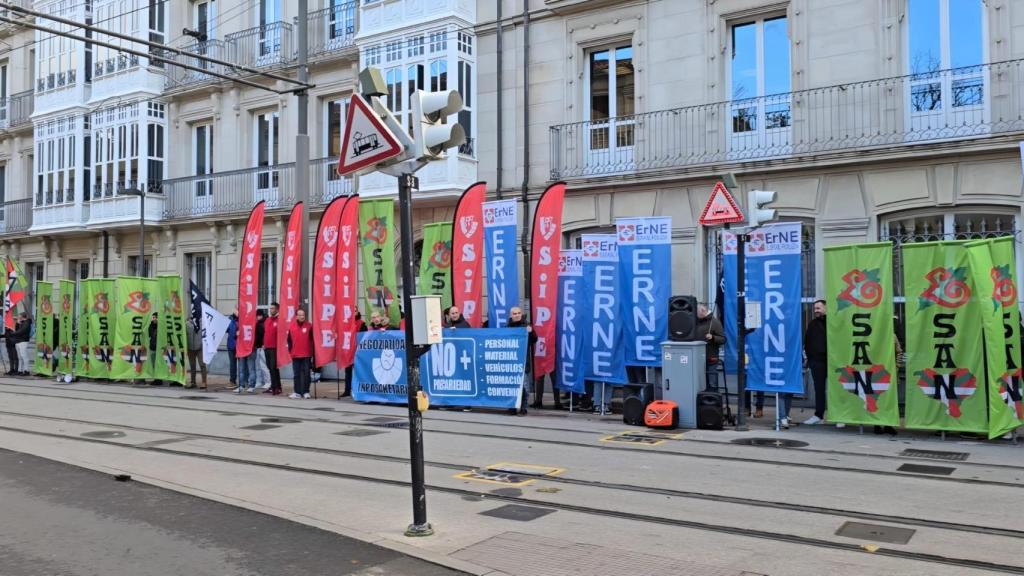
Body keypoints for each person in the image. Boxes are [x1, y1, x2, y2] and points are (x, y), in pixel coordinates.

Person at [507, 306, 536, 415]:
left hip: (524, 362)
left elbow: (535, 340)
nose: (517, 315)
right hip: (510, 362)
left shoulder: (527, 326)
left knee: (524, 387)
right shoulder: (507, 328)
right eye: (514, 313)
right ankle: (512, 406)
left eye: (519, 313)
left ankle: (523, 407)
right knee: (511, 386)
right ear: (511, 315)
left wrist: (531, 332)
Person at [803, 299, 828, 425]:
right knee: (819, 389)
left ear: (826, 308)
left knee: (837, 390)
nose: (816, 311)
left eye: (818, 308)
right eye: (815, 309)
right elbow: (807, 342)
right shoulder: (812, 324)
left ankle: (839, 416)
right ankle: (819, 415)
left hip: (832, 362)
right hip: (817, 362)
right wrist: (810, 359)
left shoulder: (833, 323)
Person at [695, 304, 725, 390]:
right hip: (698, 358)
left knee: (712, 382)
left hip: (711, 357)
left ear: (703, 311)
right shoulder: (697, 322)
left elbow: (723, 339)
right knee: (700, 382)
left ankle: (712, 399)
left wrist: (713, 337)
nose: (695, 315)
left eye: (696, 312)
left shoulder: (715, 322)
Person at [287, 308, 314, 399]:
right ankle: (297, 392)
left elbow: (313, 340)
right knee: (296, 374)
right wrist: (291, 351)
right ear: (296, 316)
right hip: (295, 354)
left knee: (307, 374)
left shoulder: (309, 326)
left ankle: (306, 391)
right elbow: (289, 340)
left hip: (306, 354)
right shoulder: (292, 326)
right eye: (300, 315)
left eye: (303, 315)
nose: (302, 316)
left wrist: (312, 353)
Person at [342, 311, 366, 397]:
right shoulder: (345, 322)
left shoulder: (362, 323)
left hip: (357, 351)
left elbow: (363, 337)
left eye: (355, 310)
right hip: (348, 351)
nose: (354, 312)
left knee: (358, 372)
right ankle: (347, 390)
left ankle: (358, 390)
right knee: (348, 372)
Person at [263, 303, 282, 395]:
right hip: (267, 347)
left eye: (273, 308)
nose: (271, 310)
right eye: (270, 308)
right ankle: (275, 386)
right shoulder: (267, 320)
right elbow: (265, 333)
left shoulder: (279, 320)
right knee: (270, 367)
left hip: (275, 348)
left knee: (274, 367)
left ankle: (276, 387)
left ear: (277, 309)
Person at [185, 319, 207, 389]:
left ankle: (204, 382)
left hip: (200, 348)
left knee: (202, 365)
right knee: (192, 366)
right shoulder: (187, 324)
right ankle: (193, 382)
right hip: (190, 348)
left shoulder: (203, 322)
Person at [254, 309, 270, 390]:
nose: (257, 317)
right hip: (258, 347)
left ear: (261, 315)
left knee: (264, 366)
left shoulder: (264, 323)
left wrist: (264, 344)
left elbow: (266, 335)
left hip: (263, 347)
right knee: (258, 366)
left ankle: (268, 382)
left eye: (258, 315)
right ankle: (259, 381)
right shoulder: (259, 323)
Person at [148, 312, 162, 385]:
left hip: (159, 349)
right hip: (153, 347)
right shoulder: (151, 326)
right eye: (153, 317)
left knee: (159, 364)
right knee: (154, 364)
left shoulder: (161, 326)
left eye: (155, 317)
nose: (153, 319)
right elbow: (149, 334)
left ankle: (159, 379)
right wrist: (152, 325)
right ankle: (156, 378)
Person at [226, 308, 238, 387]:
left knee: (243, 365)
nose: (236, 311)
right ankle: (232, 381)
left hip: (240, 346)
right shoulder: (229, 319)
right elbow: (226, 330)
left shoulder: (243, 319)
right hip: (231, 345)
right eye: (235, 309)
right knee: (232, 364)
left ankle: (244, 381)